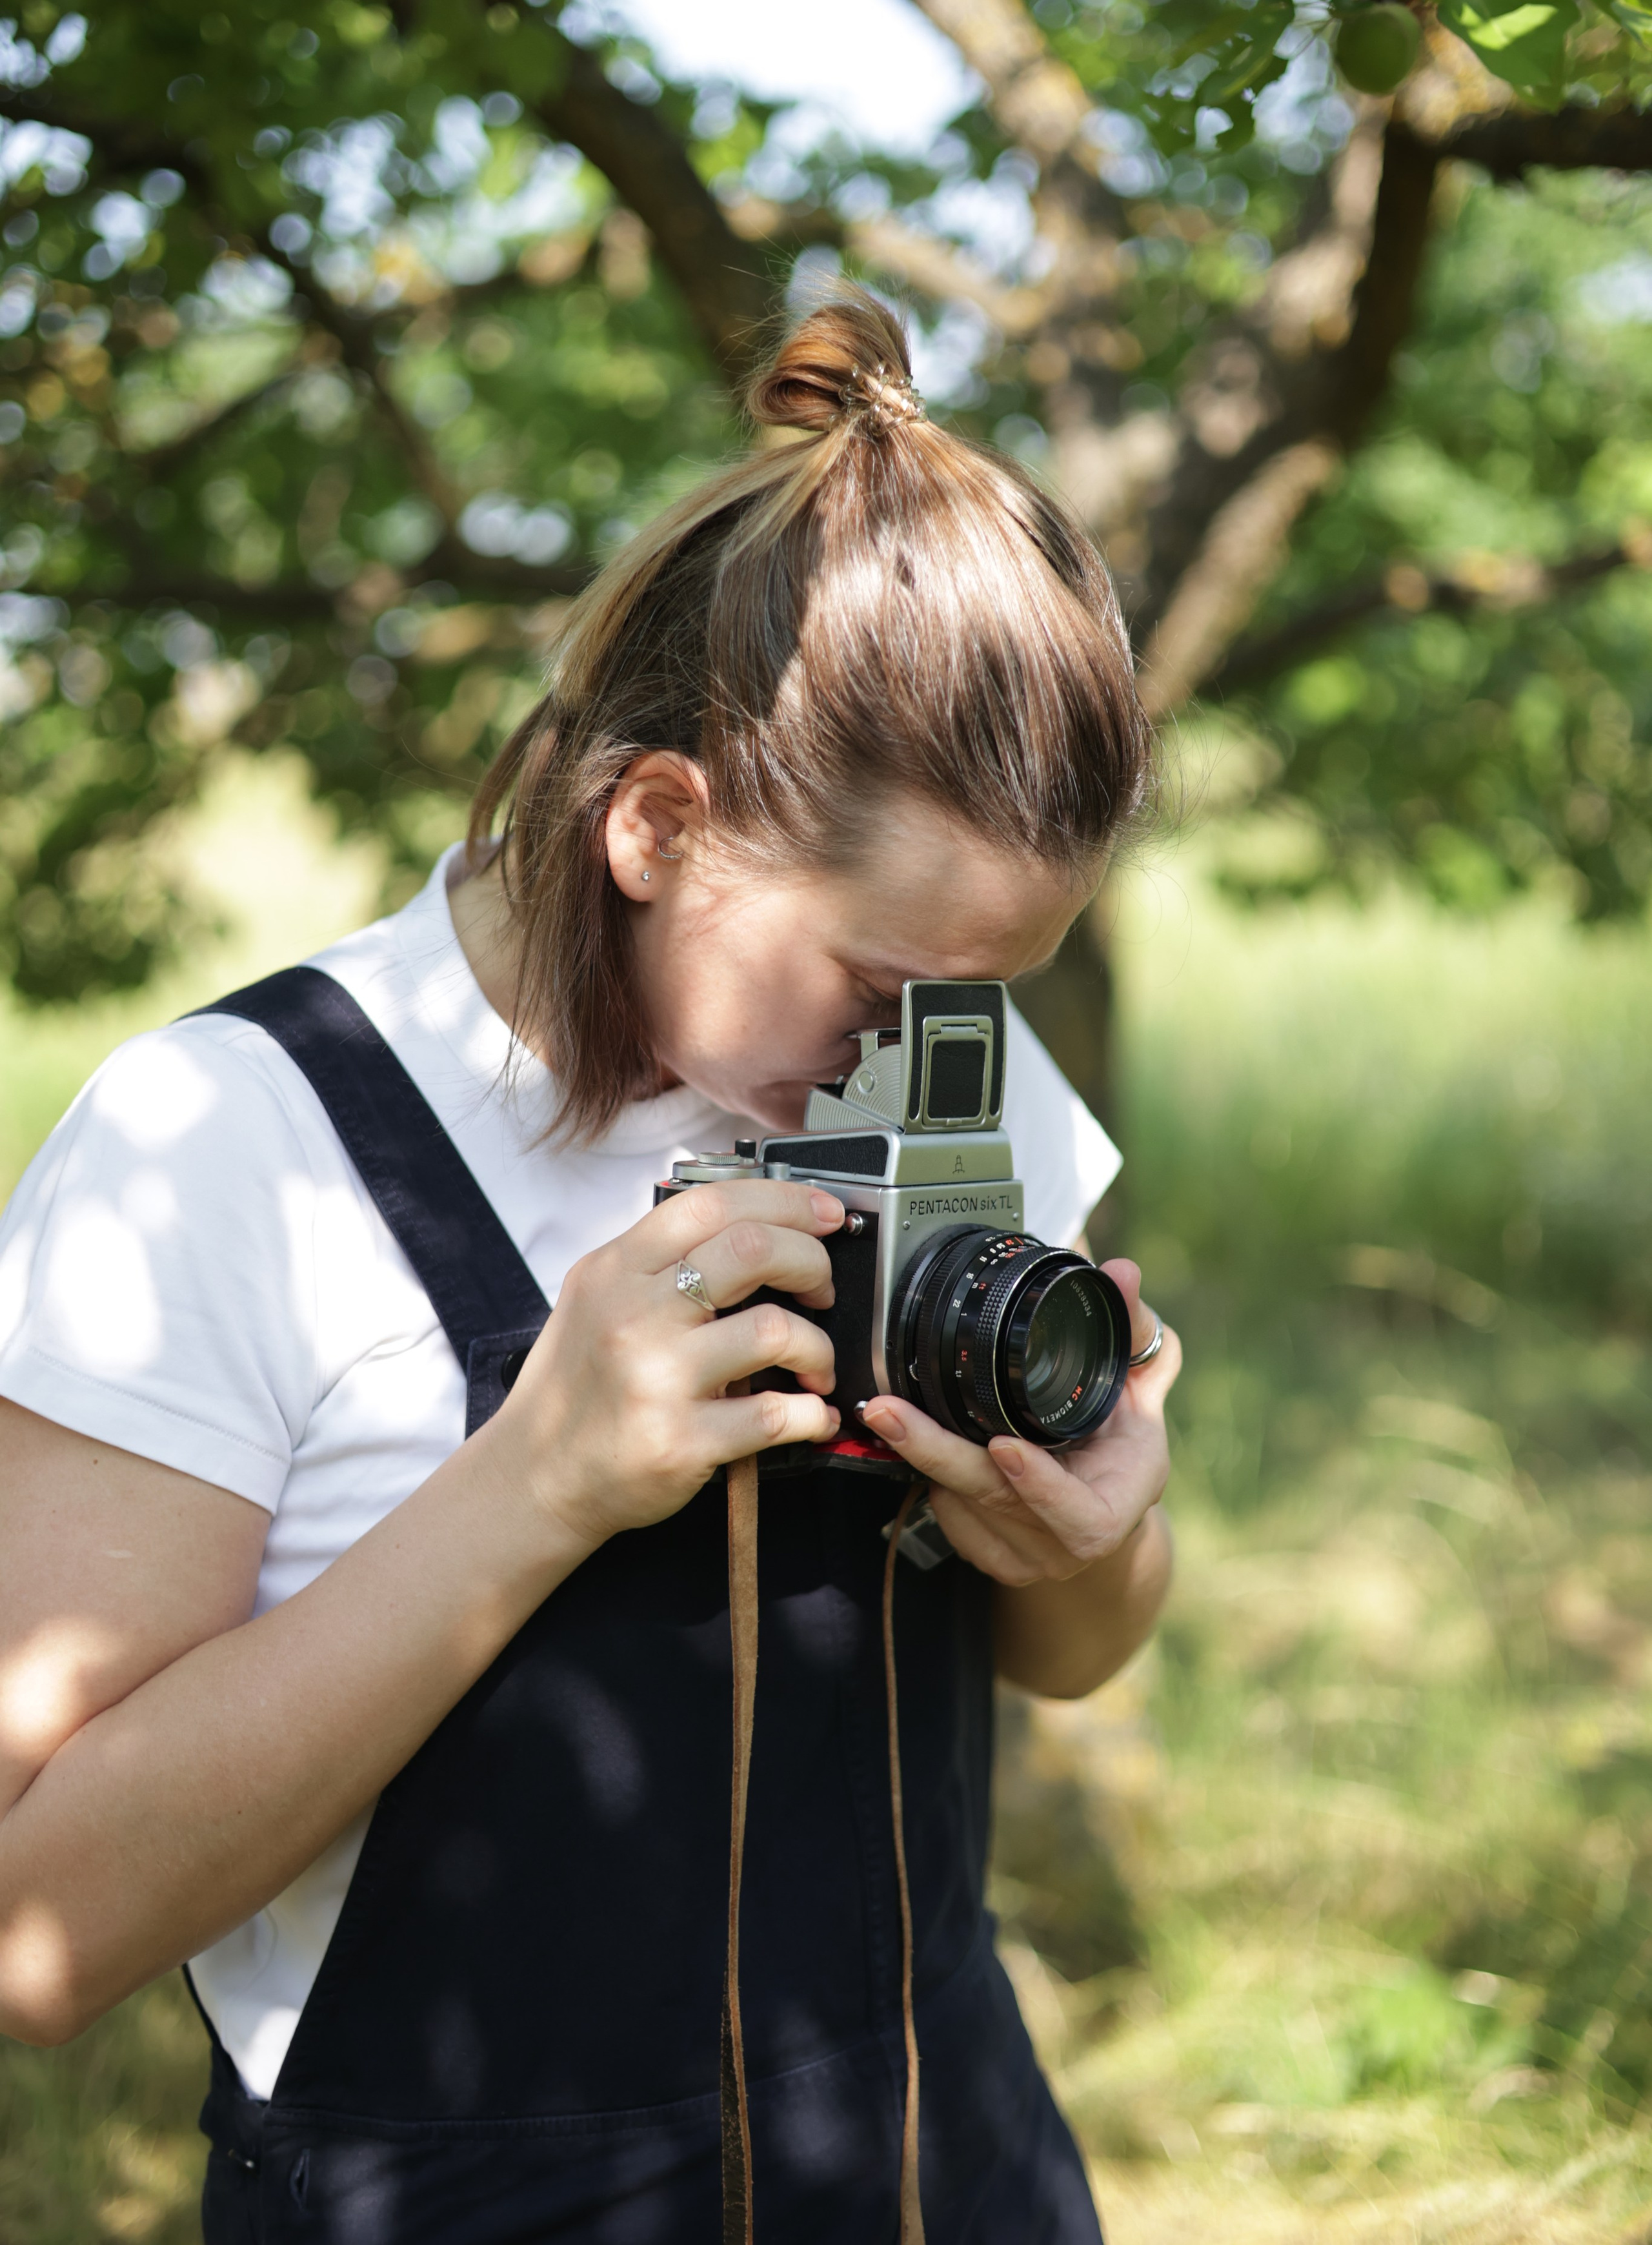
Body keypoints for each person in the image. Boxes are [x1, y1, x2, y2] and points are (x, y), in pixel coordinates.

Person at [0, 292, 1178, 2245]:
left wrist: (1099, 1538)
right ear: (655, 823)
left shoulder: (960, 1061)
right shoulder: (227, 1147)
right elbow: (38, 1940)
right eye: (881, 980)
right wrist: (537, 1485)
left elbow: (1076, 1647)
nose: (928, 1049)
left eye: (982, 998)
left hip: (944, 2170)